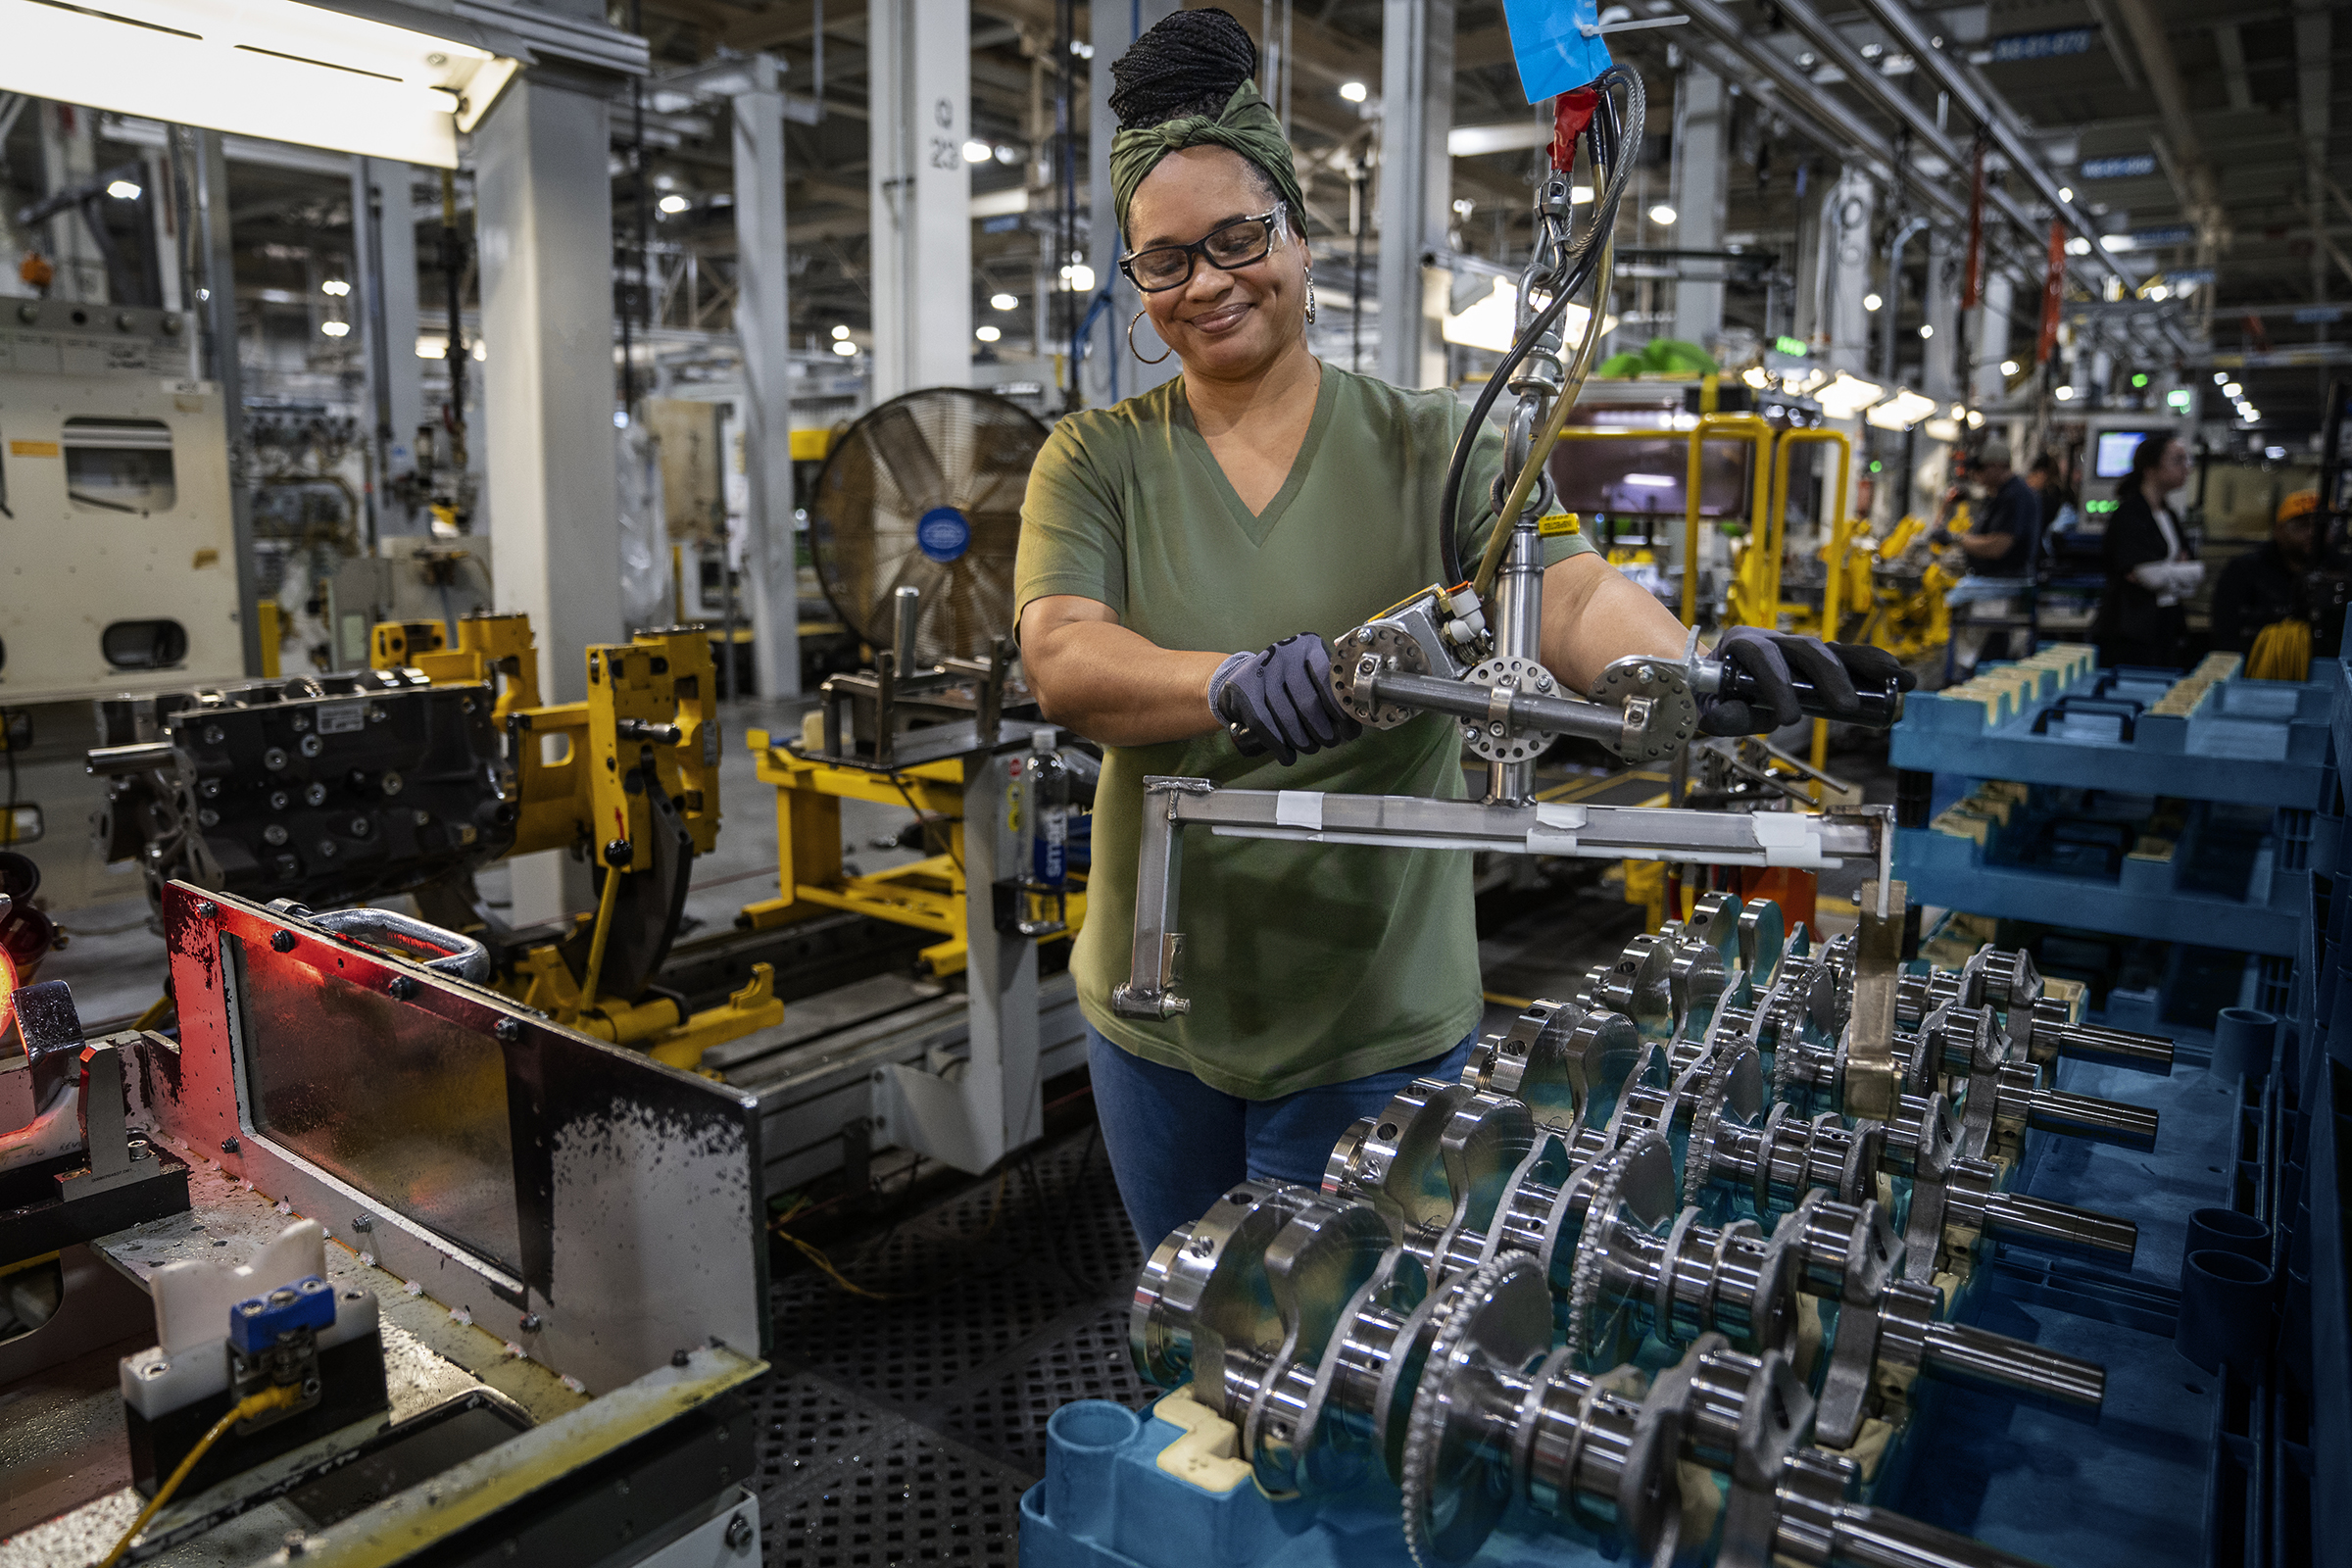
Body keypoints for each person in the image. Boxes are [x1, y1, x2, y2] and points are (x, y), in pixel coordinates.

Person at [1012, 7, 1912, 1253]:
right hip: (1154, 1017)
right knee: (1184, 1342)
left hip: (1374, 1023)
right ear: (1136, 283)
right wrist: (1233, 681)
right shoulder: (1095, 460)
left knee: (1347, 1359)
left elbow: (1574, 598)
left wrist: (1687, 668)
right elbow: (1064, 657)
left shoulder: (1442, 443)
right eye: (1164, 261)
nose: (1208, 282)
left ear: (1301, 237)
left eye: (1237, 238)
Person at [2091, 432, 2201, 669]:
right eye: (2177, 460)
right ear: (2150, 469)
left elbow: (2192, 574)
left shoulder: (2168, 514)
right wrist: (2173, 571)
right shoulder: (2129, 514)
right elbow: (2146, 575)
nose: (2187, 468)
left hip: (2165, 625)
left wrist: (2164, 572)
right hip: (2131, 629)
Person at [1931, 441, 2040, 673]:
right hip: (1993, 584)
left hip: (2001, 588)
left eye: (1981, 469)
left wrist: (1955, 538)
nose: (1976, 475)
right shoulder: (2000, 494)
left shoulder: (2015, 496)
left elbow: (1997, 547)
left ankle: (1971, 680)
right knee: (1976, 649)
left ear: (1997, 467)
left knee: (1987, 657)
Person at [2211, 491, 2330, 657]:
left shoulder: (2340, 570)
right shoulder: (2244, 570)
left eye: (2321, 526)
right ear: (2278, 530)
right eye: (2302, 525)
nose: (2312, 533)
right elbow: (2226, 634)